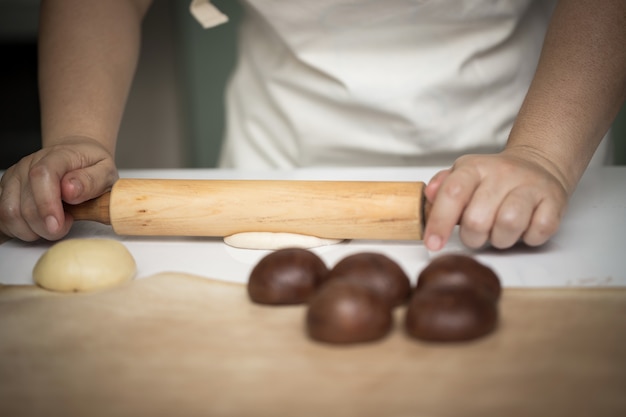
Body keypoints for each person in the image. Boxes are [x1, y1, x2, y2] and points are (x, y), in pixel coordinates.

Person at [0, 0, 624, 251]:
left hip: (522, 144)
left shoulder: (536, 151)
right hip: (275, 158)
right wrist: (77, 136)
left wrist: (542, 153)